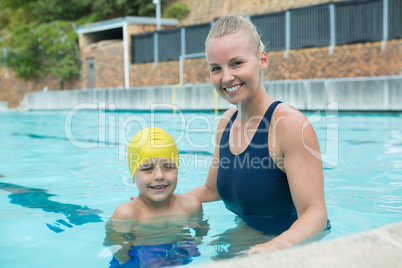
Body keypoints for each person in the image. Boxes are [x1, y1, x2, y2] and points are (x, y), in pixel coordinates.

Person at [186, 14, 330, 255]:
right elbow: (212, 190)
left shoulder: (289, 125)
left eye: (236, 63)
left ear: (262, 60)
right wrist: (160, 203)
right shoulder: (226, 122)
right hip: (251, 236)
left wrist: (275, 247)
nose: (226, 77)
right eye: (216, 68)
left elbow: (315, 213)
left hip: (296, 247)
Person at [105, 127, 204, 267]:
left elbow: (201, 229)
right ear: (133, 176)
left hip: (177, 250)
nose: (159, 176)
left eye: (168, 166)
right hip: (136, 256)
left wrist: (196, 240)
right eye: (147, 169)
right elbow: (114, 241)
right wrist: (126, 262)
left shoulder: (191, 205)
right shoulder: (127, 213)